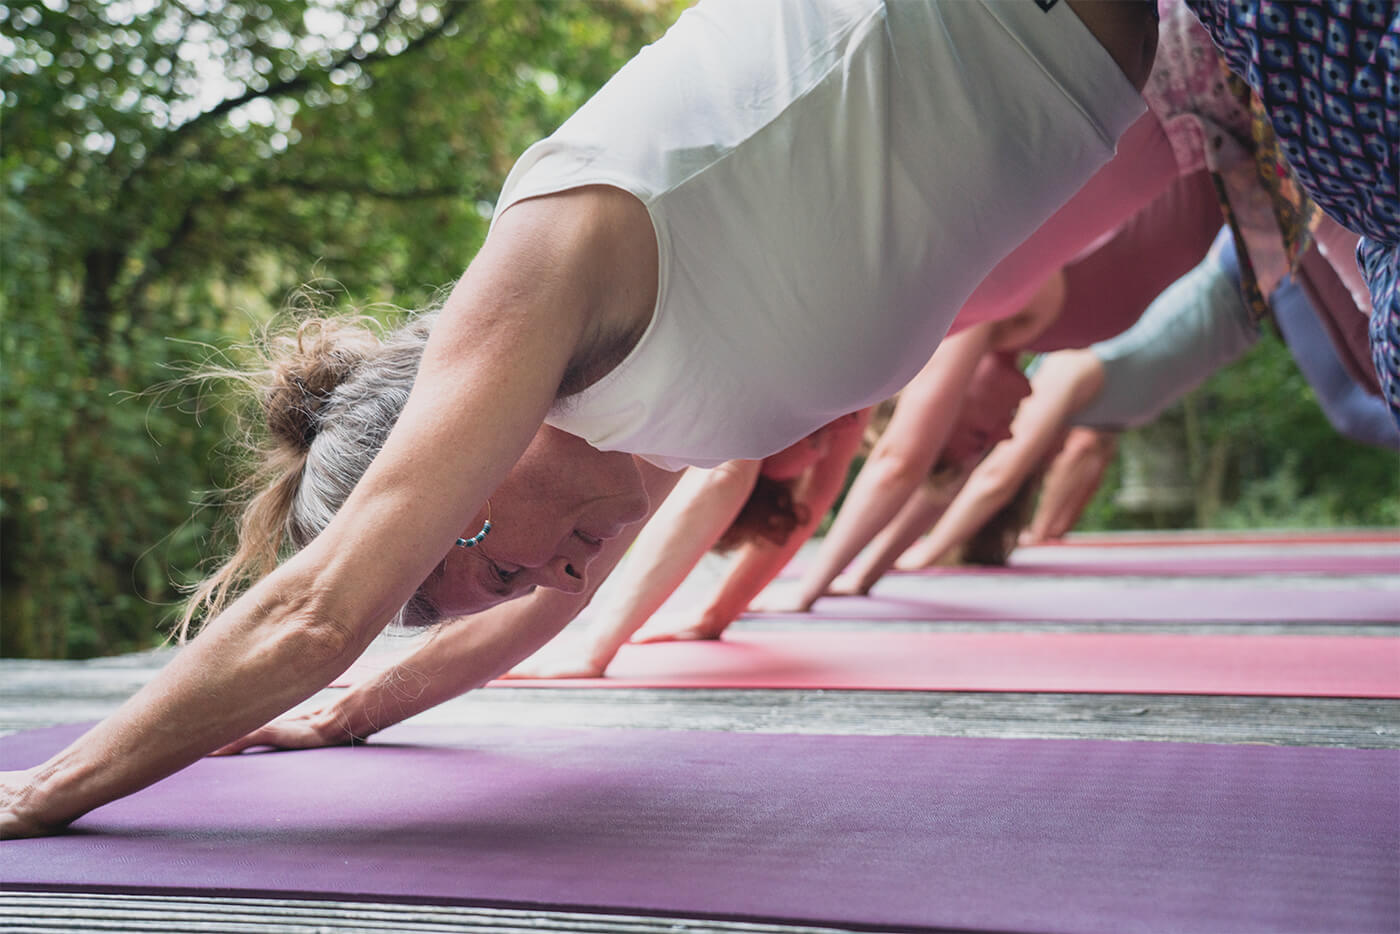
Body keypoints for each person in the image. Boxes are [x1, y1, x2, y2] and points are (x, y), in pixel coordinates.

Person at [0, 0, 1159, 838]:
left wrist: (47, 789)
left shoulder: (546, 271)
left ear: (453, 478)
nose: (551, 575)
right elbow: (542, 611)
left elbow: (317, 611)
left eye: (498, 564)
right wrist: (351, 712)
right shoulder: (648, 433)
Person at [891, 224, 1391, 579]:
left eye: (985, 437)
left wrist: (930, 551)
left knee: (1356, 405)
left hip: (1247, 258)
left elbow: (1000, 477)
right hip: (1253, 286)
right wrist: (1045, 531)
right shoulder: (1089, 414)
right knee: (1364, 395)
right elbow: (1086, 460)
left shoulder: (1059, 375)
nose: (999, 440)